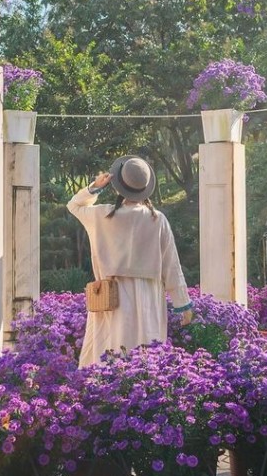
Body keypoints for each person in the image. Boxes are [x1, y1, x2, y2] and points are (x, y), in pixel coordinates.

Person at [68, 156, 193, 368]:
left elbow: (74, 206)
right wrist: (183, 304)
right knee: (146, 354)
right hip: (148, 296)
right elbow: (172, 265)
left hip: (111, 296)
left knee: (109, 353)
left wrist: (95, 188)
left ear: (118, 186)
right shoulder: (157, 219)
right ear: (145, 188)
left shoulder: (102, 214)